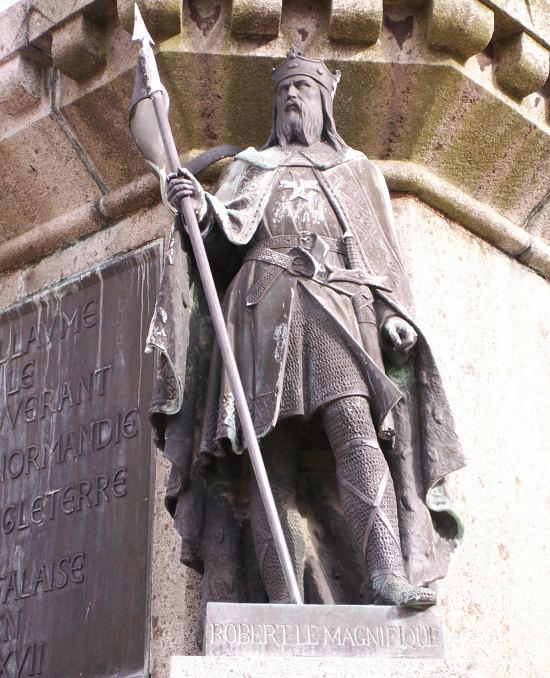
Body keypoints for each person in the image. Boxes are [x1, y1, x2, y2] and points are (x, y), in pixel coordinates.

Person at [152, 48, 465, 617]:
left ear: (326, 102)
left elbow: (382, 259)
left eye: (304, 88)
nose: (293, 97)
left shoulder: (356, 172)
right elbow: (218, 241)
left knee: (357, 431)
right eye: (284, 91)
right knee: (272, 462)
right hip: (263, 309)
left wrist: (393, 314)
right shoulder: (250, 168)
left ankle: (387, 575)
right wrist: (198, 209)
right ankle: (283, 601)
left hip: (338, 308)